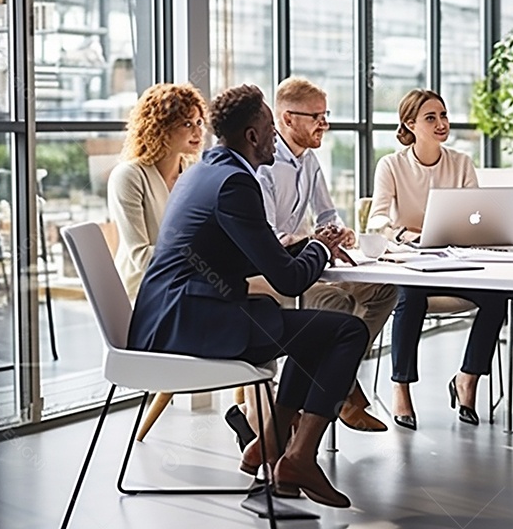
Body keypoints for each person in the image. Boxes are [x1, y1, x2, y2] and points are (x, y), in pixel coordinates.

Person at [127, 84, 364, 508]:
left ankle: (274, 449)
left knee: (312, 332)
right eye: (270, 127)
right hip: (188, 326)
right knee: (347, 332)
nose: (276, 135)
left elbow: (259, 257)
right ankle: (298, 456)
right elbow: (290, 281)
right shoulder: (237, 183)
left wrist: (307, 246)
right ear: (252, 136)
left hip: (170, 317)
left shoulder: (206, 169)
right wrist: (318, 248)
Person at [256, 77, 398, 432]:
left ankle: (339, 375)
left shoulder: (310, 161)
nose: (326, 123)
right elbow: (269, 237)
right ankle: (345, 394)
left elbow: (327, 215)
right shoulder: (266, 166)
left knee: (384, 290)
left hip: (313, 258)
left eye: (326, 114)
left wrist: (340, 231)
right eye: (316, 115)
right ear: (287, 119)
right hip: (280, 271)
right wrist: (313, 241)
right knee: (335, 302)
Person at [368, 89, 508, 430]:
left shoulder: (460, 163)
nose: (441, 123)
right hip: (414, 265)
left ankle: (467, 379)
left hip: (456, 263)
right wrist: (405, 234)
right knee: (409, 297)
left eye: (443, 115)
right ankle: (401, 387)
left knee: (496, 298)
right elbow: (376, 220)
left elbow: (476, 216)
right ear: (410, 125)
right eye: (431, 118)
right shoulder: (392, 164)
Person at [107, 82, 207, 298]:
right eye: (187, 124)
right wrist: (203, 253)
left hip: (187, 284)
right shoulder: (129, 176)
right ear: (161, 128)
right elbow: (141, 257)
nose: (198, 131)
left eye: (199, 122)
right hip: (144, 293)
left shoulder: (195, 171)